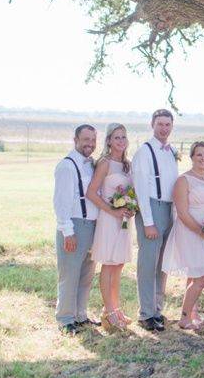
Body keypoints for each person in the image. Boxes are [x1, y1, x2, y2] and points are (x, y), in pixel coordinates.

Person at [162, 142, 204, 330]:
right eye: (199, 155)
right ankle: (183, 318)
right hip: (191, 232)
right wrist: (201, 232)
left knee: (195, 275)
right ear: (191, 157)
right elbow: (182, 212)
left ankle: (193, 315)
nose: (203, 158)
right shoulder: (184, 180)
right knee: (201, 278)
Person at [132, 109, 179, 332]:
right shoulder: (144, 151)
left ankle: (157, 309)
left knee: (162, 264)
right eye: (160, 124)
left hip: (169, 209)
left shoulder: (170, 152)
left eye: (168, 124)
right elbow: (141, 189)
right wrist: (149, 221)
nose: (164, 128)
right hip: (151, 209)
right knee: (148, 263)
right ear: (152, 124)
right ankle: (146, 313)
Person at [87, 123, 135, 332]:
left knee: (119, 265)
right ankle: (108, 313)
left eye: (124, 137)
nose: (121, 141)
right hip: (109, 219)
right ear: (109, 141)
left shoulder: (127, 165)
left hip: (124, 220)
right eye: (117, 137)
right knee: (108, 264)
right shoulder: (105, 163)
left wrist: (131, 207)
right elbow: (91, 193)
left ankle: (116, 309)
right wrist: (112, 211)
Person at [53, 124, 100, 335]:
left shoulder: (91, 165)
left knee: (86, 274)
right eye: (86, 139)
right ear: (76, 139)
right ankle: (65, 318)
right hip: (74, 225)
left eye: (93, 140)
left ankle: (81, 315)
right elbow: (61, 202)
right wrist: (67, 231)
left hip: (92, 225)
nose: (90, 144)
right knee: (69, 274)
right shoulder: (67, 166)